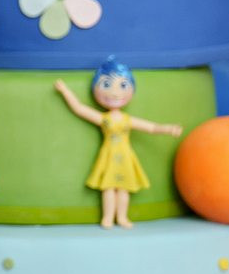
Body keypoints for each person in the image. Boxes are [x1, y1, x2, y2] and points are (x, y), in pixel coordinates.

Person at [53, 59, 183, 229]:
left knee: (123, 189)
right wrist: (65, 91)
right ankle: (107, 217)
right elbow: (80, 109)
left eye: (122, 85)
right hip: (108, 157)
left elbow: (151, 127)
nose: (115, 93)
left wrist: (167, 128)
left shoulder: (127, 119)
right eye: (107, 85)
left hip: (125, 158)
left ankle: (121, 217)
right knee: (108, 188)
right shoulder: (104, 119)